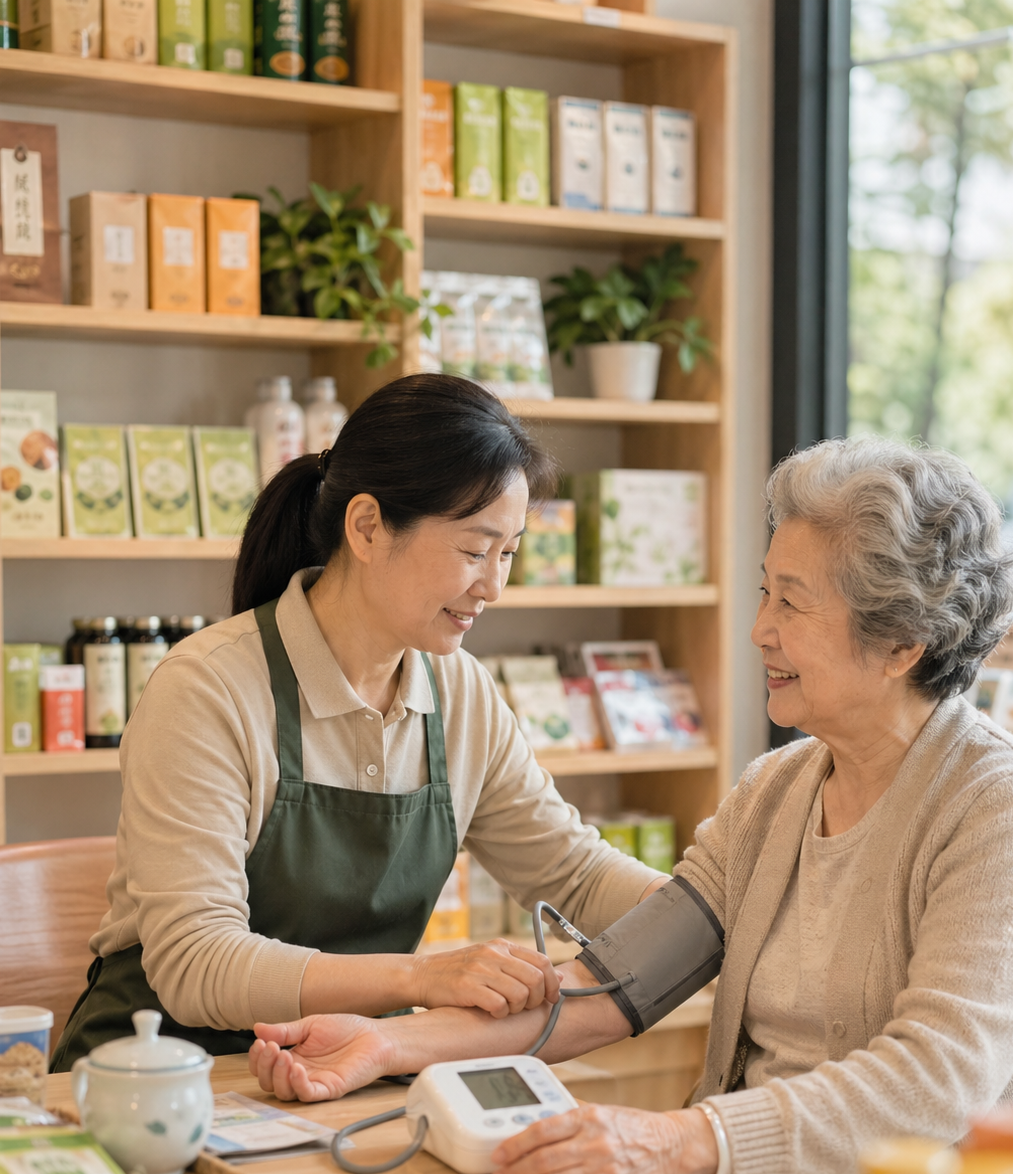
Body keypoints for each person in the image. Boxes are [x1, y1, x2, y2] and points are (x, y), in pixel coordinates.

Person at [245, 435, 1013, 1174]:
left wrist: (676, 1141)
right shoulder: (778, 789)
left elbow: (932, 1087)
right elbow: (613, 983)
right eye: (765, 591)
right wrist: (393, 1044)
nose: (760, 629)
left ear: (903, 644)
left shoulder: (1003, 809)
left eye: (792, 604)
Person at [52, 375, 668, 1070]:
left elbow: (574, 875)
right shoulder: (208, 688)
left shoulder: (461, 691)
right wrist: (421, 978)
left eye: (510, 553)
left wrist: (706, 913)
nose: (493, 587)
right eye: (474, 550)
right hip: (161, 1080)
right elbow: (198, 965)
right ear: (368, 526)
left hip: (346, 1067)